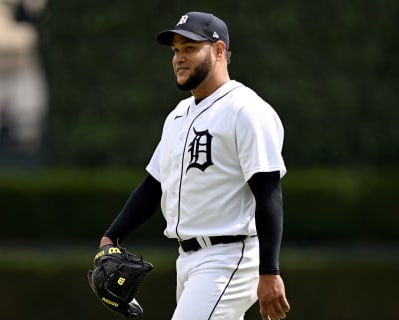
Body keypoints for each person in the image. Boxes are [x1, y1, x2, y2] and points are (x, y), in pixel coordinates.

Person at [98, 11, 291, 320]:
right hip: (187, 261)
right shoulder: (178, 115)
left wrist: (269, 271)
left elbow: (268, 192)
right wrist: (111, 237)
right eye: (175, 50)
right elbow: (154, 186)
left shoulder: (245, 109)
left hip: (229, 257)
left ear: (218, 51)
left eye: (190, 48)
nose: (179, 58)